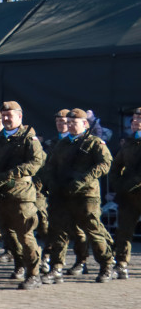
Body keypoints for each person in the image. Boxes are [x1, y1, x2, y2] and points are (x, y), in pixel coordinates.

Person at [40, 108, 114, 284]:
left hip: (85, 195)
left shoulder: (94, 143)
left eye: (75, 122)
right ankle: (56, 268)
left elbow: (105, 164)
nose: (71, 125)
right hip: (63, 195)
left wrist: (84, 179)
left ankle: (106, 265)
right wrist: (51, 183)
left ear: (85, 124)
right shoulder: (62, 144)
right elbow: (50, 166)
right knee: (59, 231)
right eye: (69, 122)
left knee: (93, 231)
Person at [0, 101, 46, 291]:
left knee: (24, 236)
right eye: (4, 115)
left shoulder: (29, 138)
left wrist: (9, 175)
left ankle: (33, 274)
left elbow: (36, 162)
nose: (7, 119)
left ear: (19, 117)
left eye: (10, 115)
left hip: (20, 195)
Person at [109, 107, 141, 279]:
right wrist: (119, 185)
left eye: (139, 119)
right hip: (129, 196)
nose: (135, 122)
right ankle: (121, 263)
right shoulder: (128, 143)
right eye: (134, 119)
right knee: (124, 231)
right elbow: (115, 167)